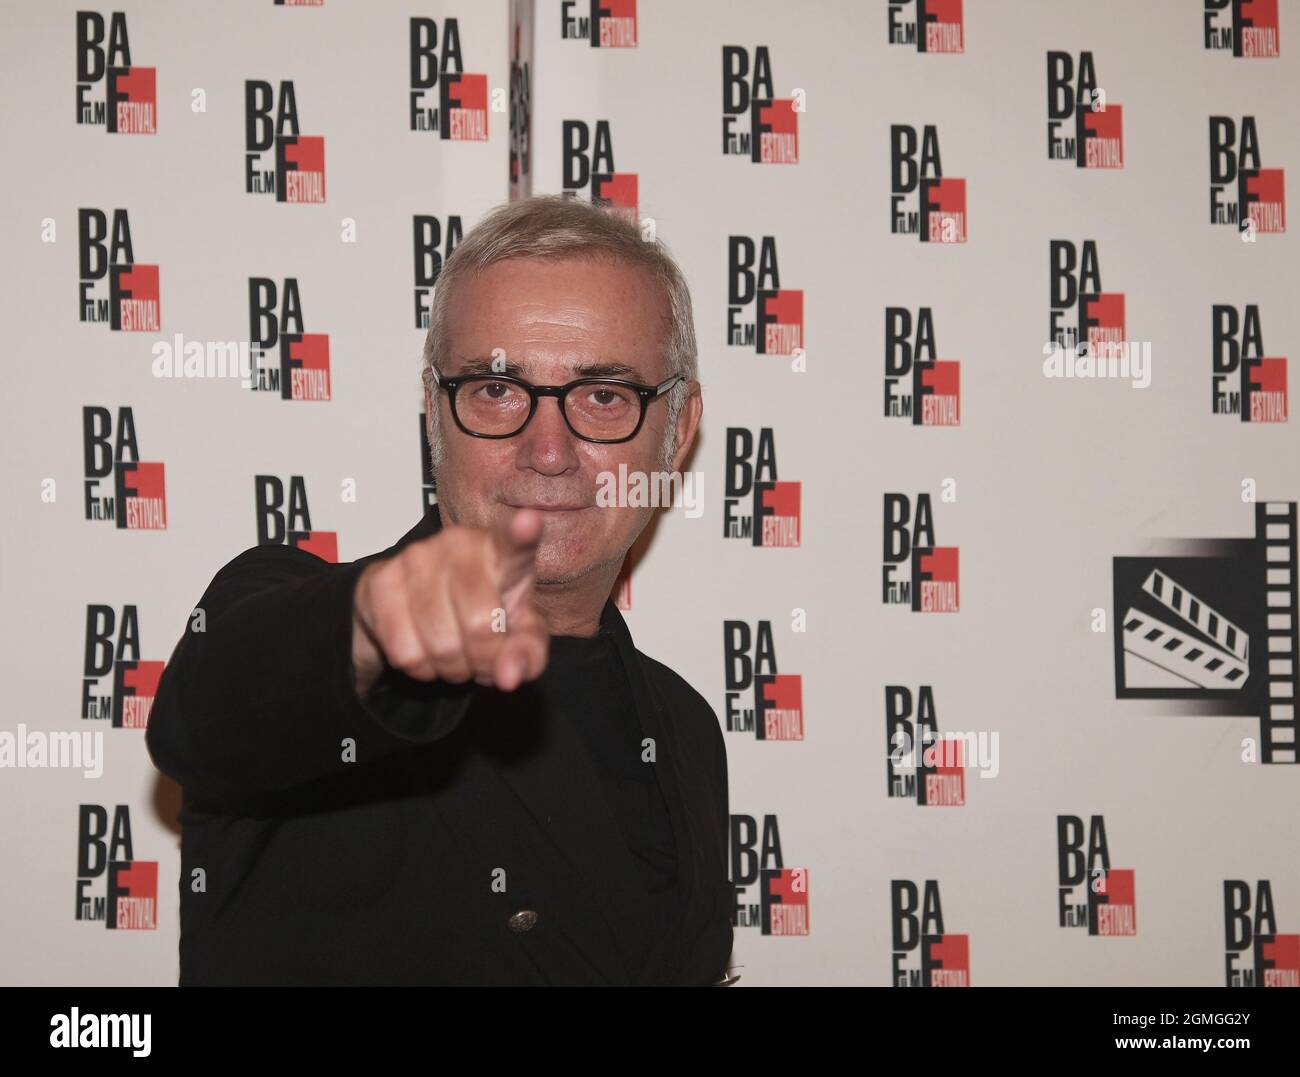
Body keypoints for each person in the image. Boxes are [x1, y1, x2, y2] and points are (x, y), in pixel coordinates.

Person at [145, 194, 736, 986]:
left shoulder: (686, 729)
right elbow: (212, 706)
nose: (549, 450)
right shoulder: (311, 627)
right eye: (497, 390)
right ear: (433, 410)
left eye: (604, 395)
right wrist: (375, 626)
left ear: (679, 429)